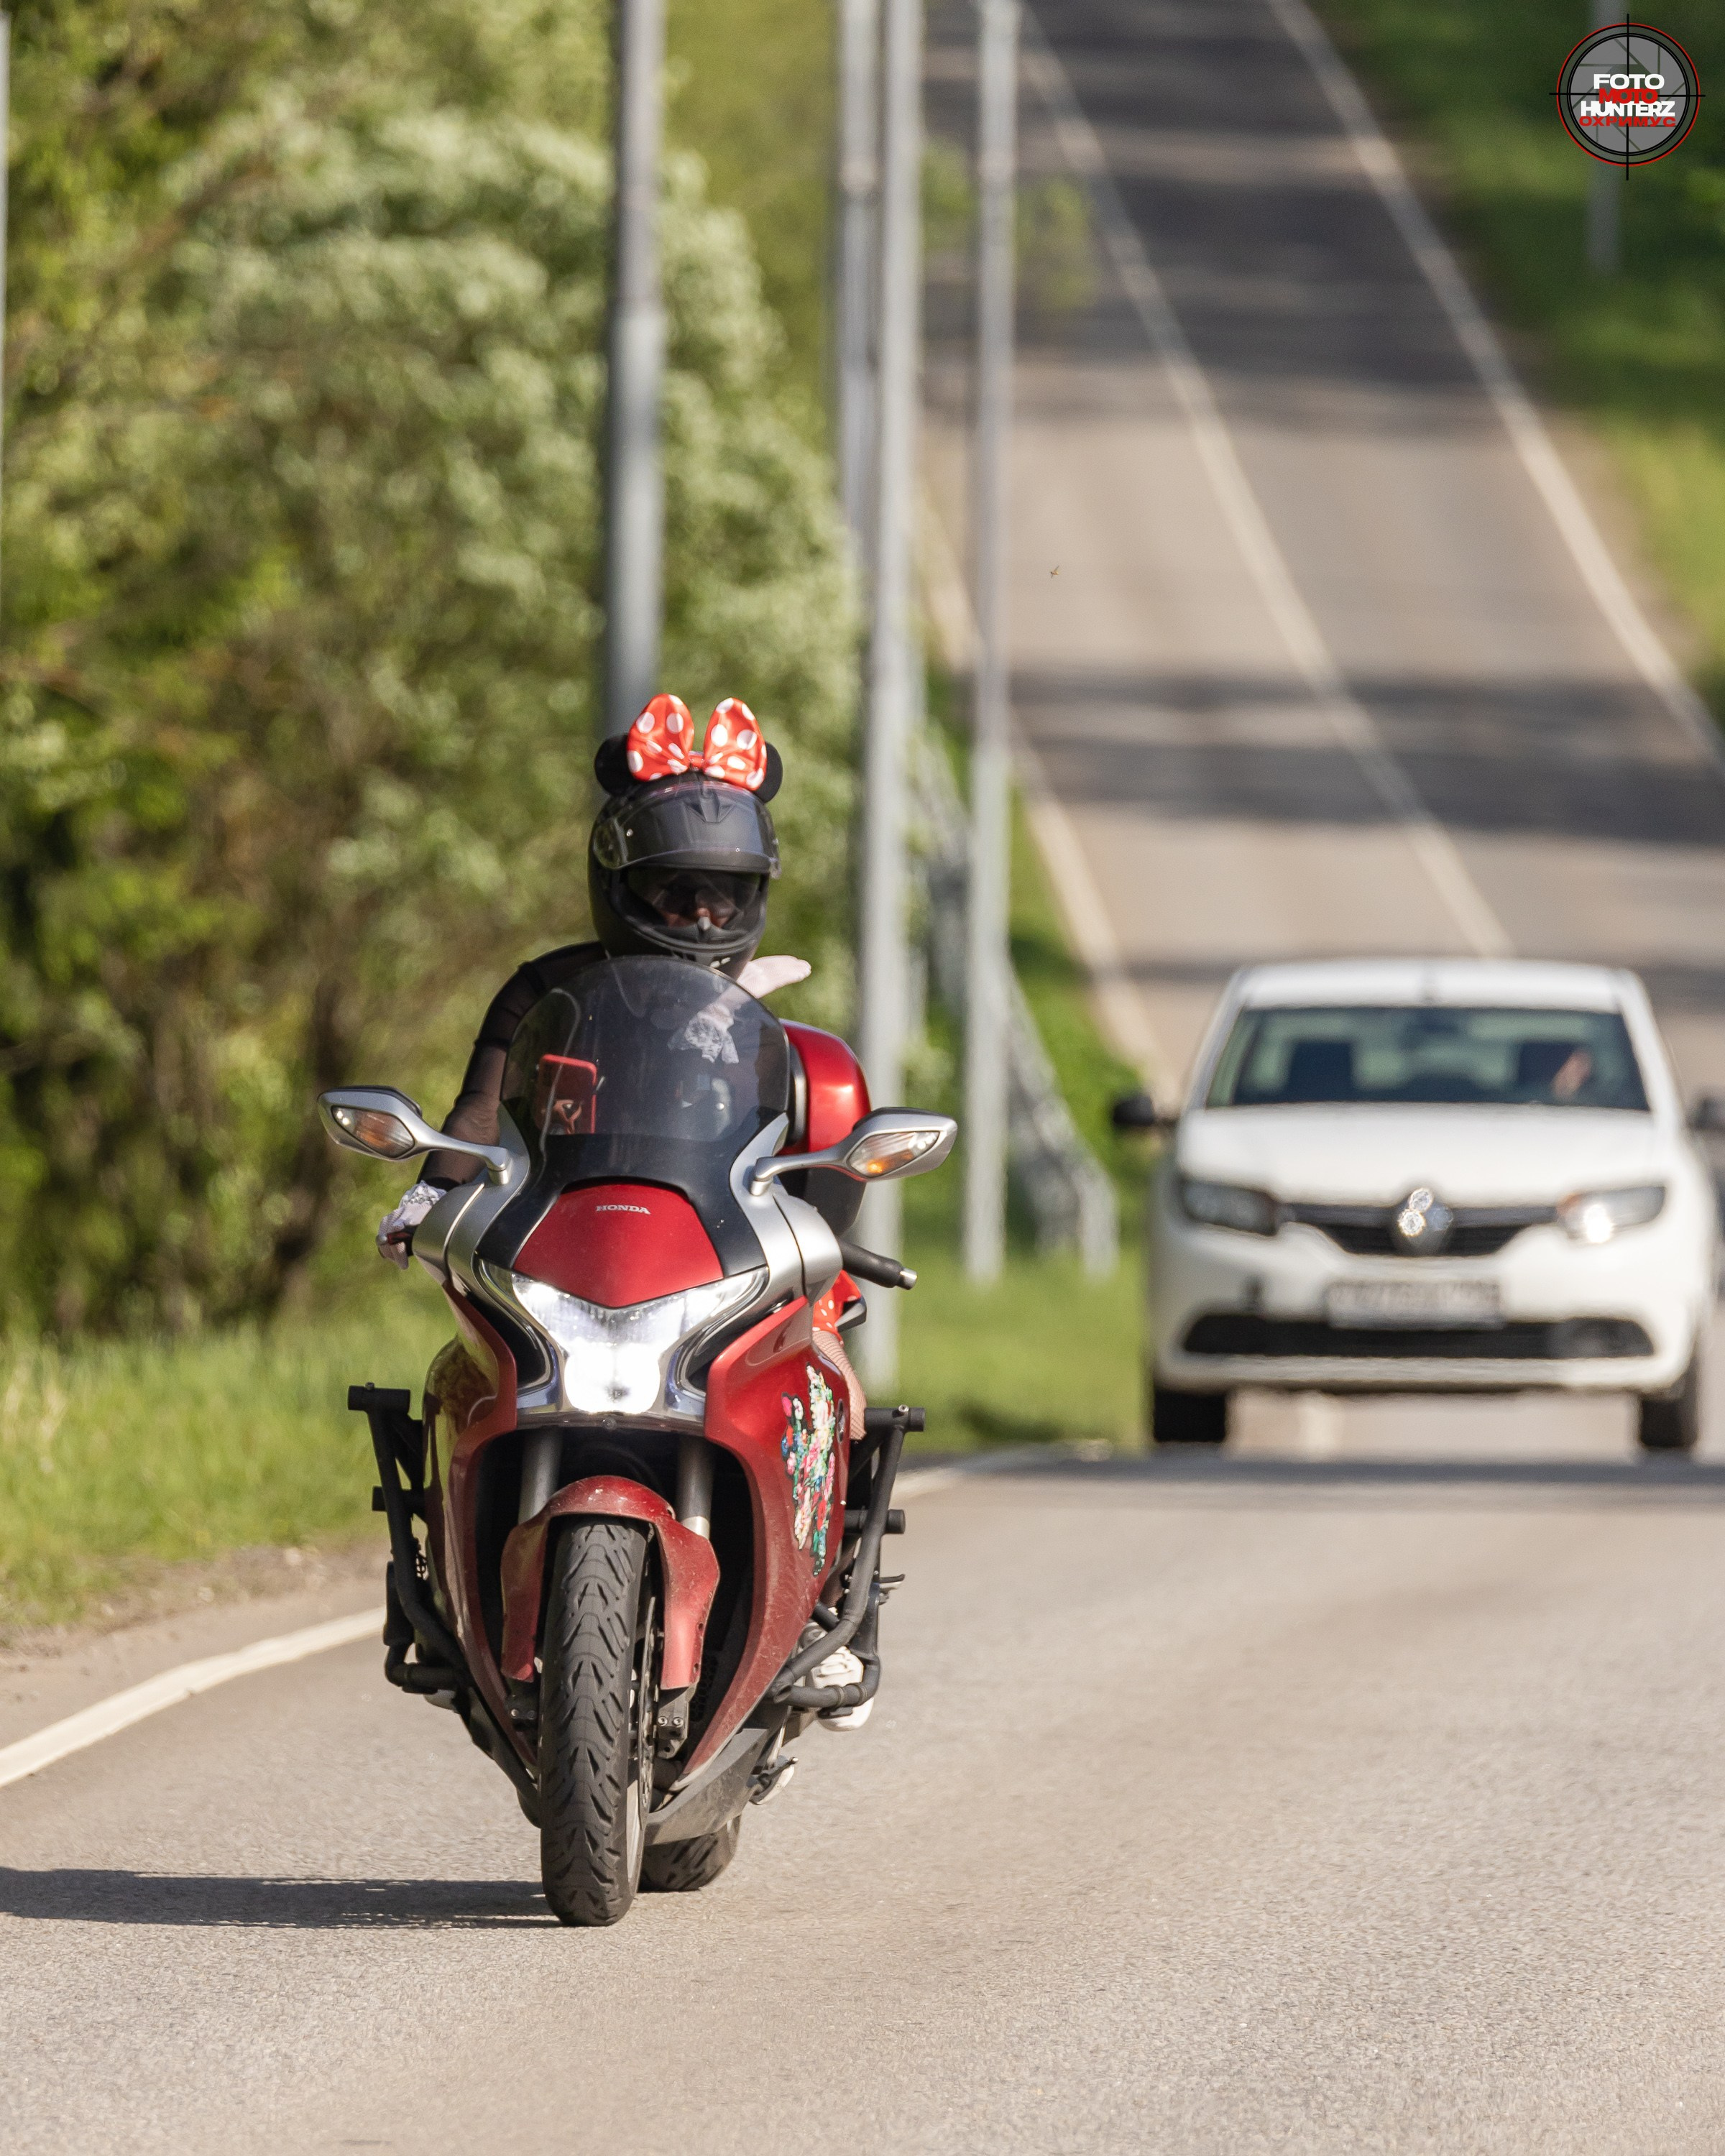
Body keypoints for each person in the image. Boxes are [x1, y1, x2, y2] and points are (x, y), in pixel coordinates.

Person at [377, 694, 809, 1263]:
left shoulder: (757, 1015)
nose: (704, 914)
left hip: (716, 1253)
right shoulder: (547, 991)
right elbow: (482, 1110)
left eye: (728, 894)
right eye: (674, 891)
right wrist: (433, 1194)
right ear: (618, 882)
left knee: (815, 1348)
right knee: (472, 1353)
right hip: (555, 1244)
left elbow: (797, 1157)